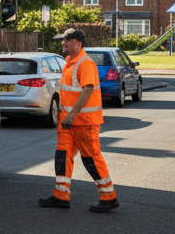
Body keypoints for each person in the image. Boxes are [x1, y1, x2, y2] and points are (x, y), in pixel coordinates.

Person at [39, 28, 119, 212]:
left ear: (78, 43)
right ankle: (61, 195)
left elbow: (87, 89)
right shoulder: (69, 62)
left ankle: (109, 197)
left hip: (84, 122)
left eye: (67, 40)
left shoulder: (85, 63)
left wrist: (72, 115)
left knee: (91, 158)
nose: (63, 43)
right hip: (68, 122)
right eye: (62, 40)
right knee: (62, 156)